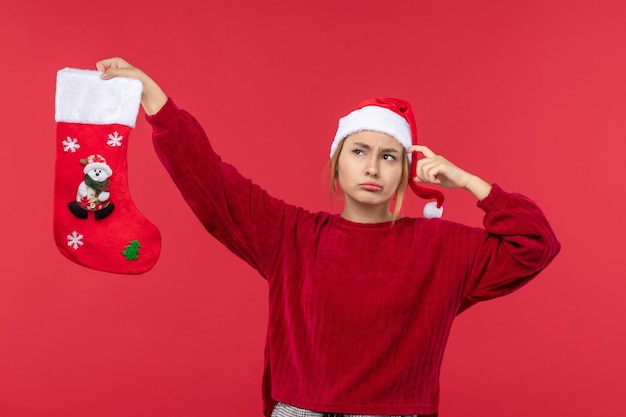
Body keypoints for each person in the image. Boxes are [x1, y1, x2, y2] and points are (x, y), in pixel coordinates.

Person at [96, 57, 560, 417]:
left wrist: (467, 181)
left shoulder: (440, 247)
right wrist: (153, 97)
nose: (373, 167)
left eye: (389, 156)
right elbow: (211, 182)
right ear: (337, 162)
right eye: (359, 151)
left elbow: (534, 243)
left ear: (405, 173)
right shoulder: (290, 234)